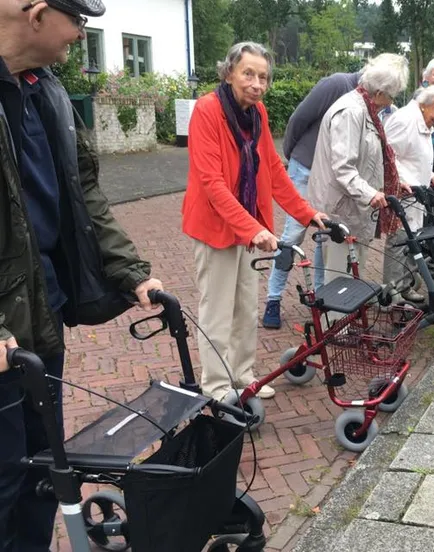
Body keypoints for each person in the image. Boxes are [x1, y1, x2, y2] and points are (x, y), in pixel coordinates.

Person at [0, 0, 164, 549]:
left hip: (42, 310)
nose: (81, 36)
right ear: (39, 14)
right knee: (2, 478)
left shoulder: (44, 89)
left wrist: (131, 270)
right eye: (80, 23)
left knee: (46, 469)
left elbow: (83, 192)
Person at [182, 42, 326, 403]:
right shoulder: (207, 110)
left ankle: (243, 377)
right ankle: (216, 387)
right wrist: (253, 228)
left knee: (245, 308)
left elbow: (274, 171)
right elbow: (211, 182)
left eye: (263, 77)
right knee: (217, 311)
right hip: (216, 228)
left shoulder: (257, 113)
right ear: (229, 72)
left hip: (248, 229)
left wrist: (307, 213)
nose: (257, 83)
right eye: (248, 73)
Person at [262, 68, 362, 330]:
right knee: (293, 235)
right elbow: (298, 119)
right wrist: (293, 154)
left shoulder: (366, 102)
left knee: (324, 235)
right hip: (306, 167)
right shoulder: (337, 83)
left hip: (331, 177)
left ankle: (321, 296)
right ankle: (273, 299)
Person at [306, 53, 410, 293]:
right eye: (391, 95)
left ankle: (348, 324)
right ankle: (336, 328)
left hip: (356, 209)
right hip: (342, 210)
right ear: (380, 91)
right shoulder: (351, 112)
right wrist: (371, 194)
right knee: (340, 282)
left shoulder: (367, 110)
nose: (391, 101)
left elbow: (373, 159)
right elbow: (343, 167)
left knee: (353, 278)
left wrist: (394, 184)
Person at [382, 85, 434, 302]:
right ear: (424, 105)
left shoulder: (422, 120)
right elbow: (388, 157)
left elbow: (413, 154)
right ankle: (391, 292)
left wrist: (428, 172)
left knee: (412, 239)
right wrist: (403, 181)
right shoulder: (405, 121)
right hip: (402, 194)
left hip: (417, 194)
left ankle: (404, 286)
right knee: (399, 242)